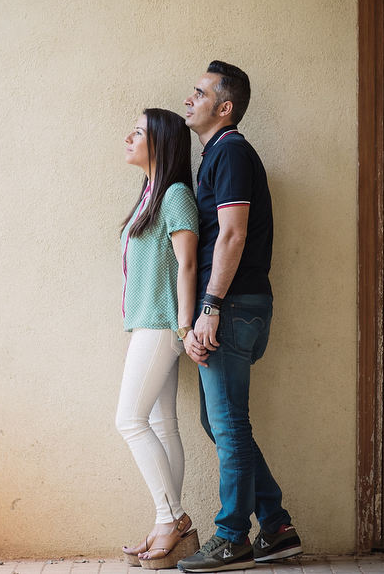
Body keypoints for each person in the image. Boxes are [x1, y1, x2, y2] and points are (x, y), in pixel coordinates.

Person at [176, 62, 303, 572]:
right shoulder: (221, 154)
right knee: (222, 421)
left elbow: (232, 234)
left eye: (199, 92)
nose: (190, 99)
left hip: (230, 308)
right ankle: (275, 526)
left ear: (224, 108)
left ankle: (233, 538)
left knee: (228, 423)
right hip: (237, 307)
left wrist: (209, 307)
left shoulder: (229, 151)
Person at [116, 108, 202, 570]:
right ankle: (165, 522)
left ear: (161, 143)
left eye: (138, 132)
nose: (127, 137)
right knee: (163, 424)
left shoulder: (174, 196)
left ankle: (171, 518)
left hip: (163, 323)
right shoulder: (151, 193)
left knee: (129, 420)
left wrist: (185, 326)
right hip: (150, 322)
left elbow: (187, 264)